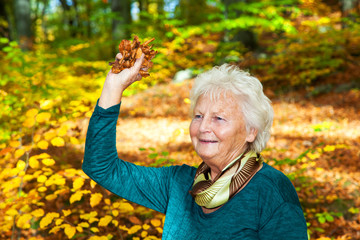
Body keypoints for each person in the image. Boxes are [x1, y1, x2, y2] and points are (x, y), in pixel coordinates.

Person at [83, 53, 308, 239]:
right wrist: (113, 87)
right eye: (198, 116)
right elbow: (102, 167)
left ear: (251, 131)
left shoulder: (272, 192)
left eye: (219, 118)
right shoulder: (179, 184)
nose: (203, 128)